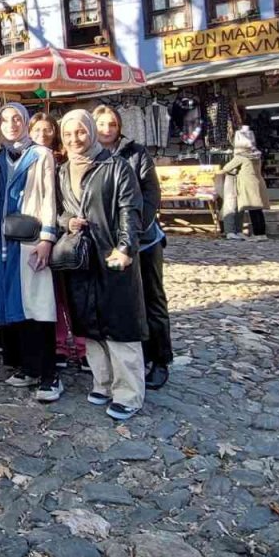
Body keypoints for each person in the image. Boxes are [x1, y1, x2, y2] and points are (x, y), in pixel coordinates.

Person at [58, 110, 146, 421]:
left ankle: (129, 392)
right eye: (68, 134)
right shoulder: (63, 170)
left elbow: (130, 209)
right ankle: (103, 382)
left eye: (80, 132)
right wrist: (67, 221)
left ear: (91, 131)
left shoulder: (115, 166)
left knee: (119, 324)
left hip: (110, 253)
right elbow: (59, 211)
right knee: (90, 323)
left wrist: (125, 247)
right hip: (82, 256)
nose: (74, 139)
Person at [0, 104, 61, 402]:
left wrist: (46, 238)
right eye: (5, 119)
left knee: (37, 304)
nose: (11, 124)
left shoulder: (41, 155)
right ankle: (26, 366)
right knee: (12, 302)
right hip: (0, 241)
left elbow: (48, 198)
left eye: (17, 119)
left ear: (26, 122)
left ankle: (49, 374)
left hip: (30, 238)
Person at [94, 105, 171, 390]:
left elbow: (151, 196)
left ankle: (160, 359)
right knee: (124, 305)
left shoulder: (136, 153)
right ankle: (127, 361)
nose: (106, 129)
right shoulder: (91, 157)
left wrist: (133, 234)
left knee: (152, 300)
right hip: (108, 243)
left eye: (111, 124)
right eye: (101, 124)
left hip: (144, 239)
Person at [30, 112, 86, 372]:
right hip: (43, 235)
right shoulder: (28, 161)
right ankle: (61, 343)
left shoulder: (63, 163)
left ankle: (84, 344)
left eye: (48, 130)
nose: (42, 134)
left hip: (67, 235)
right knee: (53, 296)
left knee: (74, 294)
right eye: (37, 129)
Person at [221, 126, 270, 241]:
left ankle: (258, 234)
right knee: (258, 210)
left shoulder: (241, 156)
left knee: (253, 210)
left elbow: (226, 168)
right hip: (258, 181)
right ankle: (262, 233)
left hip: (247, 184)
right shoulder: (256, 154)